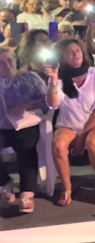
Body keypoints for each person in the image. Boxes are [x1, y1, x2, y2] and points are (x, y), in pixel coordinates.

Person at [44, 39, 95, 206]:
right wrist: (53, 81)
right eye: (70, 52)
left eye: (78, 51)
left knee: (93, 142)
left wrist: (81, 140)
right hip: (69, 123)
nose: (76, 54)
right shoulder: (59, 76)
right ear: (63, 57)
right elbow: (53, 104)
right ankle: (66, 188)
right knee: (58, 144)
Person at [0, 46, 48, 213]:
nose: (6, 65)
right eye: (1, 62)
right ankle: (4, 182)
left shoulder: (30, 77)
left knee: (26, 148)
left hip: (24, 123)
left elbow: (46, 101)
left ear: (16, 60)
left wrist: (26, 104)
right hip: (2, 125)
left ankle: (27, 193)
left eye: (9, 60)